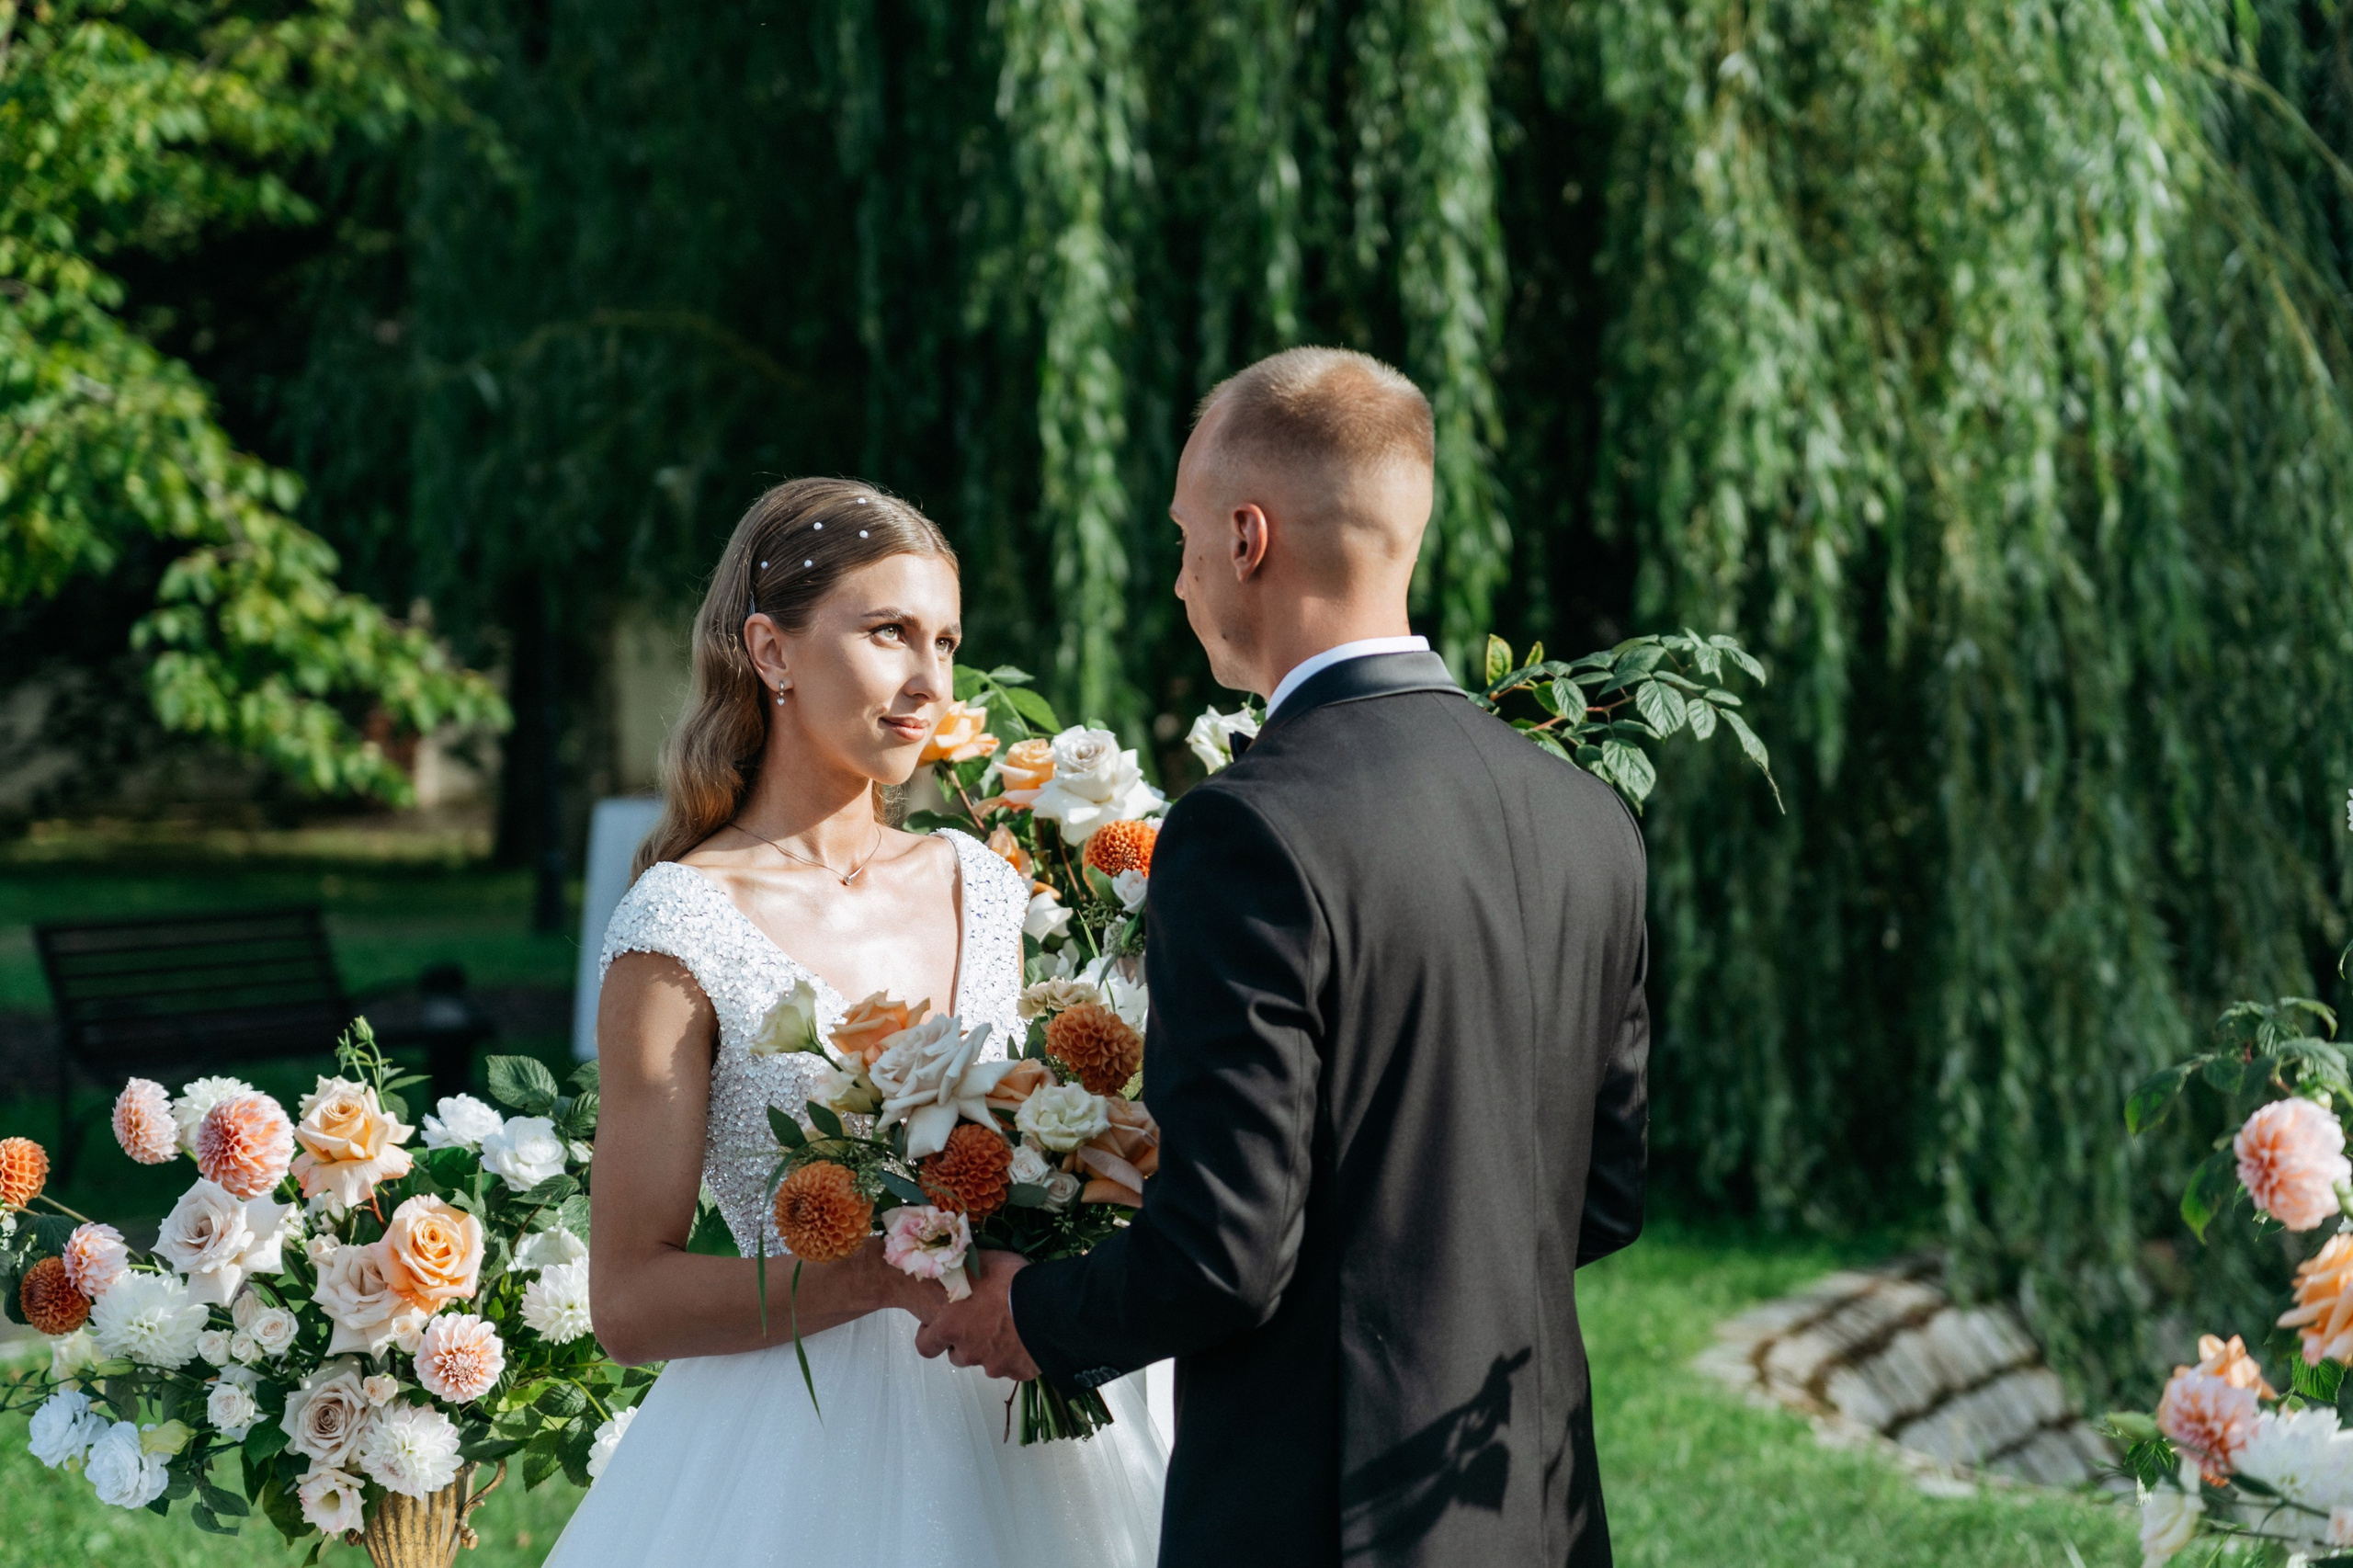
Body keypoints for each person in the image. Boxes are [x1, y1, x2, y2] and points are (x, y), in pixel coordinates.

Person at [916, 347, 1652, 1567]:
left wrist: (1033, 1314)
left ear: (1248, 538)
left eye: (1185, 536)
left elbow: (1225, 1253)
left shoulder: (1249, 828)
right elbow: (1604, 1192)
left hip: (1321, 1510)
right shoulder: (1588, 817)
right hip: (1526, 1500)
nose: (1180, 577)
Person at [547, 478, 1165, 1567]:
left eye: (947, 640)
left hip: (1017, 1405)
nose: (930, 682)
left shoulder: (980, 881)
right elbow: (629, 1298)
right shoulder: (680, 925)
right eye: (888, 633)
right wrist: (873, 1272)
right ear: (770, 651)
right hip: (796, 1450)